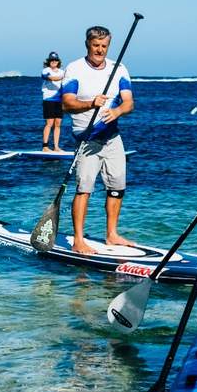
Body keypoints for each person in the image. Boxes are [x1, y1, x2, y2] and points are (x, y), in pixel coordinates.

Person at [61, 26, 135, 254]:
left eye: (104, 46)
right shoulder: (75, 69)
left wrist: (118, 111)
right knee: (84, 188)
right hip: (87, 139)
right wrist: (91, 103)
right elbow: (66, 104)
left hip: (112, 137)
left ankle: (112, 235)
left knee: (117, 186)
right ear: (88, 45)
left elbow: (129, 102)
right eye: (96, 46)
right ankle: (78, 240)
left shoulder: (119, 68)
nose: (100, 50)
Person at [41, 52, 66, 152]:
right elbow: (50, 78)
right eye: (52, 60)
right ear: (49, 62)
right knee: (49, 123)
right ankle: (45, 146)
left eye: (55, 60)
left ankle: (56, 147)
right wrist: (61, 77)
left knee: (58, 123)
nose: (53, 62)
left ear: (58, 62)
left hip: (59, 100)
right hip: (48, 99)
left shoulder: (62, 72)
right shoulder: (46, 70)